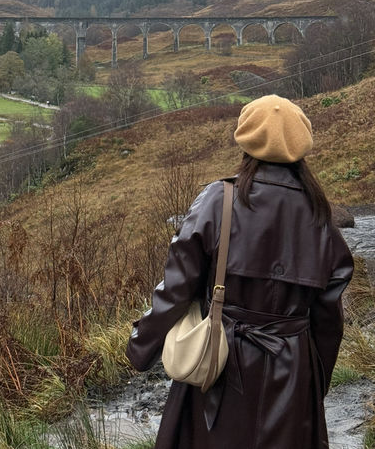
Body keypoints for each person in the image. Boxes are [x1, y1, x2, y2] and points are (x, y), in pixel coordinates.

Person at [126, 94, 354, 449]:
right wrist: (314, 383)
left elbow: (177, 286)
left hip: (220, 365)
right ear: (300, 146)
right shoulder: (321, 218)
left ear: (245, 139)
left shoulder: (219, 201)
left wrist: (142, 345)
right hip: (292, 373)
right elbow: (329, 321)